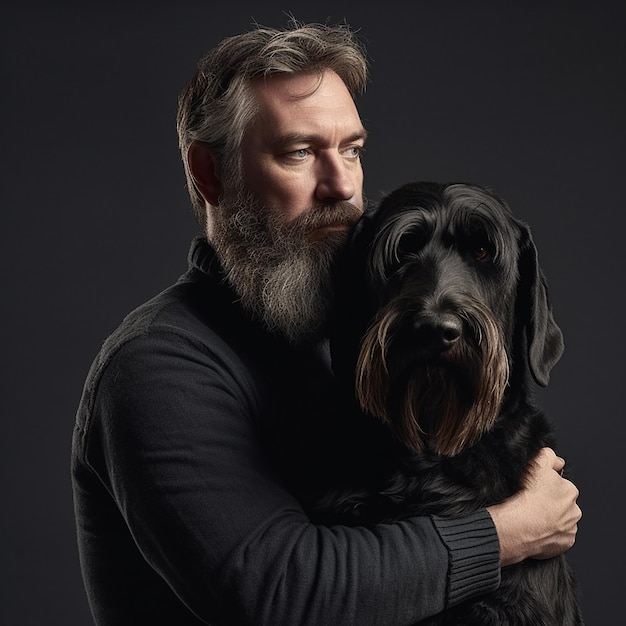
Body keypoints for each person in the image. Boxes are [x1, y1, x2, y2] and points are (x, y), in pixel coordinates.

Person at [71, 20, 581, 625]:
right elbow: (281, 593)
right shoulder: (158, 368)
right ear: (210, 174)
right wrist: (506, 532)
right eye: (299, 152)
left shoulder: (341, 343)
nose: (342, 186)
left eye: (352, 150)